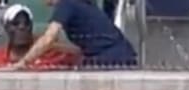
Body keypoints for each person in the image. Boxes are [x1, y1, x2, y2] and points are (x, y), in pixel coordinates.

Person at [7, 0, 136, 69]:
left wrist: (23, 63)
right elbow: (81, 48)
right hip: (120, 55)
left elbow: (49, 38)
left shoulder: (66, 4)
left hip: (113, 59)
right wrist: (51, 47)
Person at [0, 4, 80, 69]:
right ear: (6, 27)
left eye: (26, 23)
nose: (22, 27)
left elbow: (79, 54)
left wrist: (52, 45)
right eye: (15, 24)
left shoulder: (50, 53)